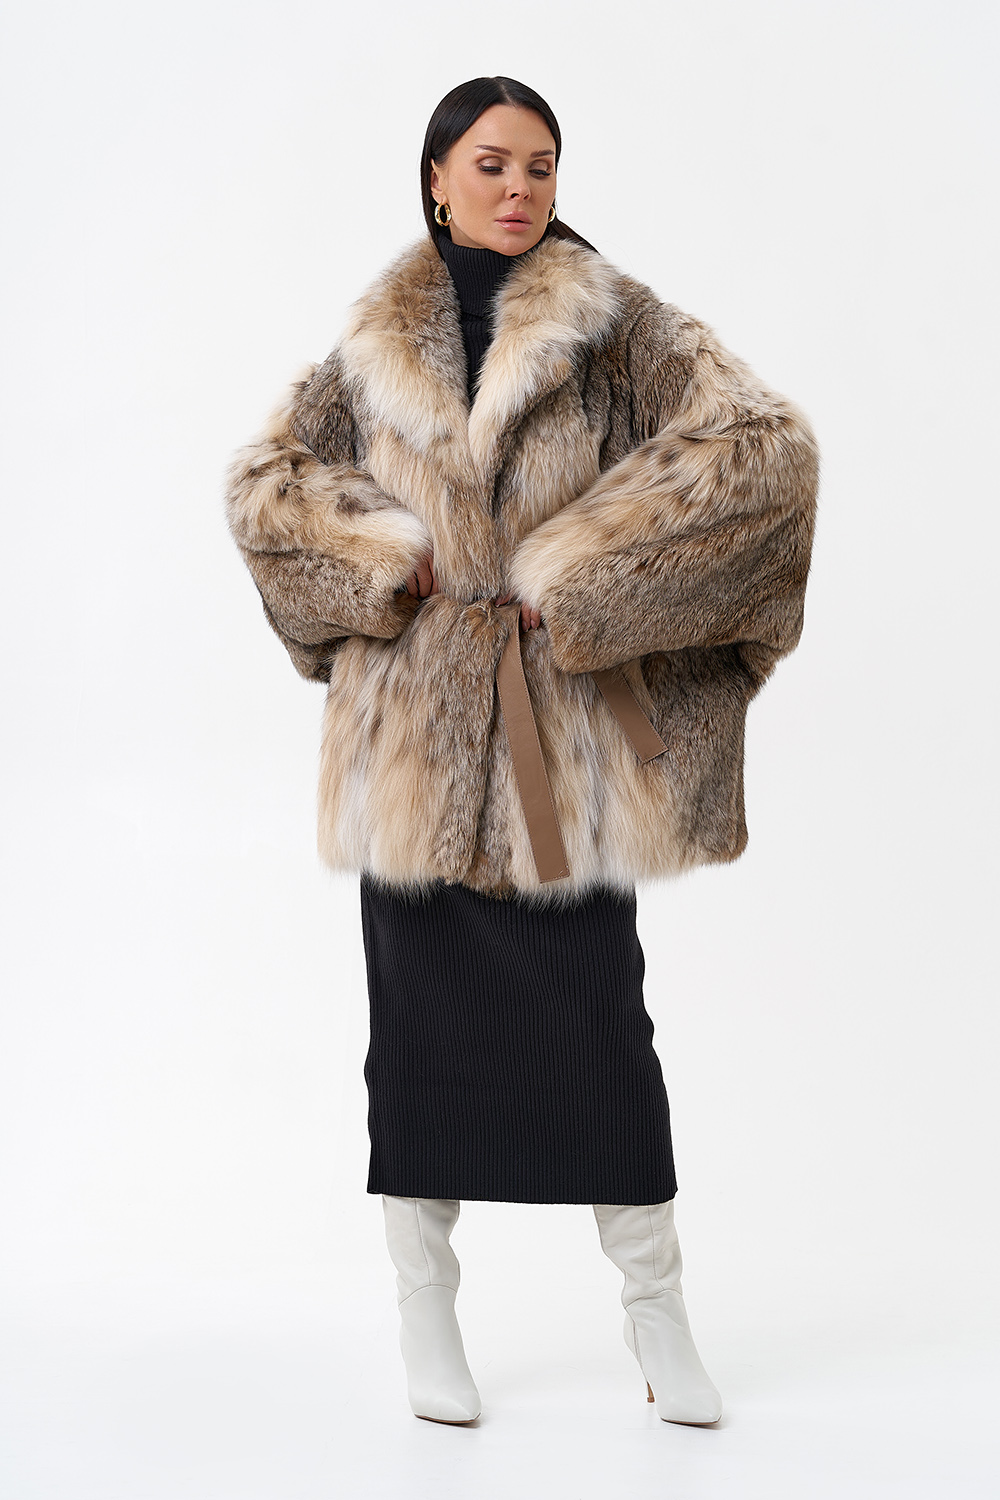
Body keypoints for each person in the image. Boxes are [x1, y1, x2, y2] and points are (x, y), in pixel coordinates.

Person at [225, 75, 819, 1428]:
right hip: (417, 761)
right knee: (417, 1048)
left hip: (561, 753)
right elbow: (271, 493)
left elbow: (762, 459)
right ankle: (426, 1316)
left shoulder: (618, 325)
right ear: (436, 178)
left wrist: (586, 581)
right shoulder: (371, 347)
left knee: (602, 1035)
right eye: (491, 163)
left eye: (541, 165)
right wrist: (385, 564)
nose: (519, 187)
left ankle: (658, 1315)